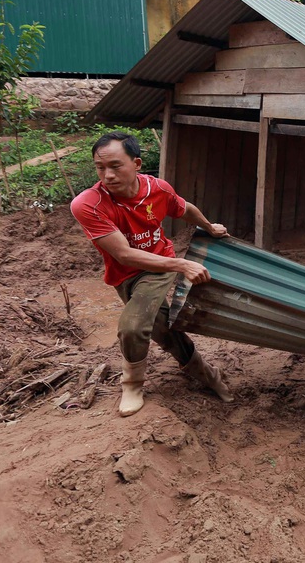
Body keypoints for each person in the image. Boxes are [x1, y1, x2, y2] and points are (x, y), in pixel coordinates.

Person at [70, 131, 234, 417]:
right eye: (100, 167)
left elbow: (183, 208)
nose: (107, 175)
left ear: (136, 163)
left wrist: (208, 226)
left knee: (133, 327)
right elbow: (123, 254)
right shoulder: (88, 204)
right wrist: (184, 265)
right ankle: (207, 373)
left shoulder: (157, 188)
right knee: (161, 330)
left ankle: (132, 383)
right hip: (124, 273)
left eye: (115, 166)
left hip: (158, 267)